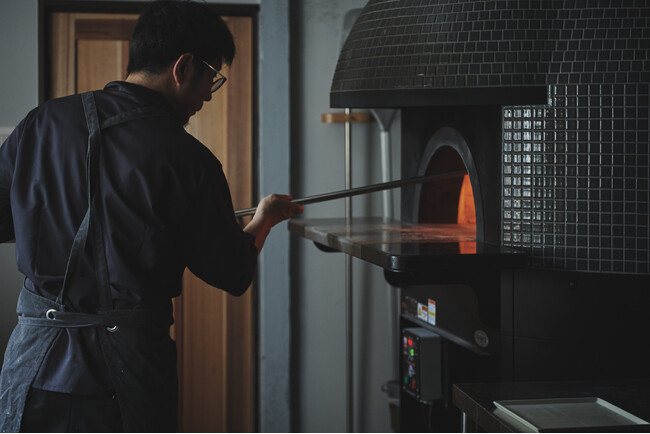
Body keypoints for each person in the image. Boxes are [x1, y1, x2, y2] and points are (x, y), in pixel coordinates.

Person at [0, 0, 302, 431]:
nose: (205, 98)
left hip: (35, 370)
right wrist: (266, 218)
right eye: (211, 80)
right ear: (183, 67)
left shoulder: (41, 123)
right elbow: (233, 271)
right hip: (126, 379)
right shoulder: (188, 160)